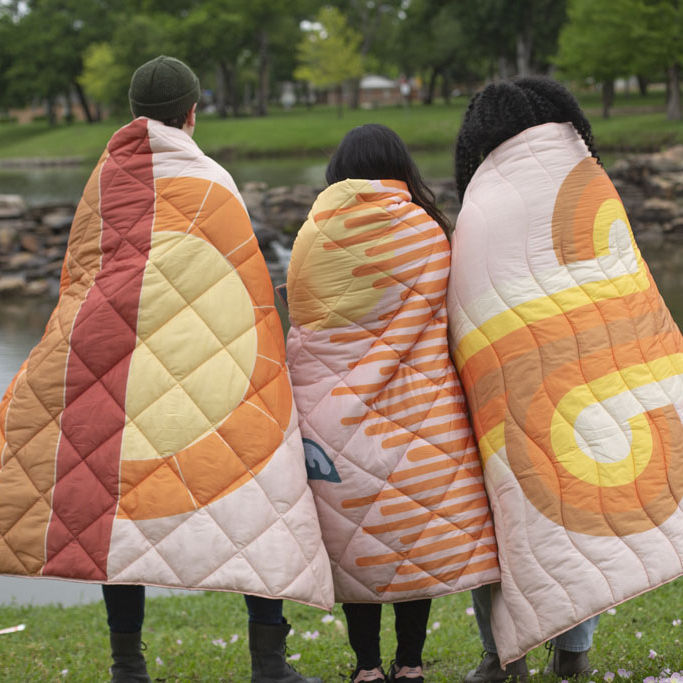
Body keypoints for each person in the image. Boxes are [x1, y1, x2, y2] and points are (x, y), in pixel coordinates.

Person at [0, 55, 333, 683]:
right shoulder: (211, 181)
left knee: (119, 511)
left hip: (115, 372)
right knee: (261, 495)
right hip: (206, 374)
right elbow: (243, 282)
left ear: (133, 111)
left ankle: (127, 665)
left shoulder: (102, 180)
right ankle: (269, 662)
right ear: (191, 113)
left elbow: (83, 279)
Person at [449, 77, 683, 680]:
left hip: (513, 398)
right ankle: (573, 651)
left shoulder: (482, 201)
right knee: (584, 517)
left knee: (510, 522)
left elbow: (465, 306)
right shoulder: (587, 176)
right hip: (608, 377)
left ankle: (501, 657)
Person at [285, 124, 501, 683]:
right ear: (399, 166)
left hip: (332, 414)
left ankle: (365, 668)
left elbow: (303, 324)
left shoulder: (312, 237)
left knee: (356, 540)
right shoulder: (426, 232)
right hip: (418, 412)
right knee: (411, 536)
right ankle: (410, 663)